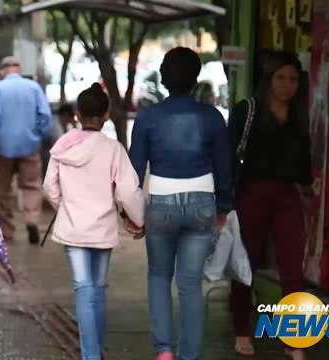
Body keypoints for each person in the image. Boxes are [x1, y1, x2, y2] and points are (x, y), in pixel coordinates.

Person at [128, 47, 232, 360]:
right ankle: (189, 355)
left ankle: (163, 350)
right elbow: (224, 166)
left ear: (163, 77)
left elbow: (134, 170)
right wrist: (223, 206)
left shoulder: (147, 117)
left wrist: (132, 214)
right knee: (190, 283)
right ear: (196, 78)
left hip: (161, 200)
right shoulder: (211, 117)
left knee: (159, 276)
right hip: (202, 201)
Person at [43, 83, 145, 360]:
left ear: (77, 114)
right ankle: (96, 350)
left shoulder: (62, 148)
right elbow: (126, 191)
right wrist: (138, 220)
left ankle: (91, 356)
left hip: (73, 229)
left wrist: (66, 207)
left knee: (83, 289)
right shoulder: (113, 149)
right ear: (107, 115)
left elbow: (49, 187)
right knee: (98, 289)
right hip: (102, 229)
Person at [228, 51, 312, 360]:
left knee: (292, 268)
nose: (287, 85)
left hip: (287, 197)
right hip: (251, 194)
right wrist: (225, 203)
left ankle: (294, 339)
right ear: (268, 79)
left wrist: (308, 188)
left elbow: (303, 162)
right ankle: (242, 331)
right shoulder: (247, 110)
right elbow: (228, 155)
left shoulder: (299, 114)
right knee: (244, 266)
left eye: (293, 79)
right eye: (281, 78)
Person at [0, 56, 52, 244]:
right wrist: (36, 133)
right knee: (31, 186)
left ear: (2, 71)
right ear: (19, 69)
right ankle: (32, 221)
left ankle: (7, 231)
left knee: (3, 191)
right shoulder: (33, 87)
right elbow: (45, 116)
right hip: (29, 145)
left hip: (3, 148)